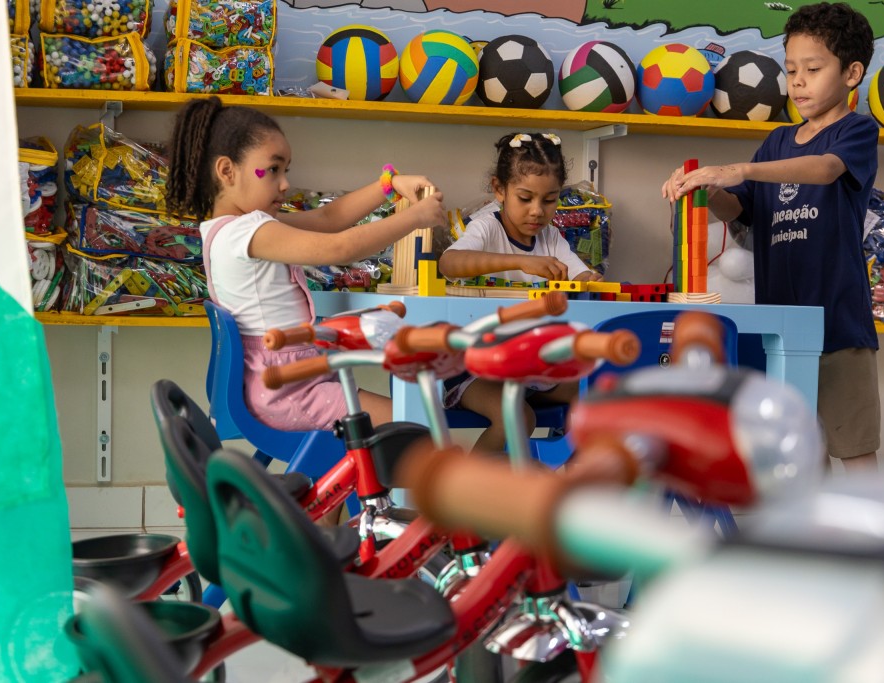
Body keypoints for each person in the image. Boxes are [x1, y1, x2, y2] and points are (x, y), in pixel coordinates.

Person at [661, 2, 880, 472]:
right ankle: (809, 521)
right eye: (791, 70)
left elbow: (825, 169)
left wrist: (741, 168)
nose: (798, 82)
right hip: (781, 326)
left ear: (851, 73)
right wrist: (708, 189)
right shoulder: (777, 142)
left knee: (855, 448)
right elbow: (742, 209)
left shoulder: (856, 130)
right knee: (799, 450)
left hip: (838, 323)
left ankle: (875, 519)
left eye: (813, 70)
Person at [166, 95, 446, 437]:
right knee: (418, 425)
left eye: (285, 171)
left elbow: (328, 219)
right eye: (273, 170)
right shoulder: (248, 232)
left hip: (283, 386)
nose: (285, 183)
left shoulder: (229, 231)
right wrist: (415, 218)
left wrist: (387, 184)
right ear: (227, 171)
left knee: (409, 424)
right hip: (289, 392)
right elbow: (339, 247)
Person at [438, 132, 599, 453]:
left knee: (593, 395)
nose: (537, 211)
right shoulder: (486, 227)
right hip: (474, 369)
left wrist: (590, 279)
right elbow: (449, 263)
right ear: (500, 189)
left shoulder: (551, 238)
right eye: (525, 198)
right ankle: (461, 484)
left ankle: (573, 475)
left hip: (529, 368)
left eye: (549, 200)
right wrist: (521, 262)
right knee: (517, 417)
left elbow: (581, 276)